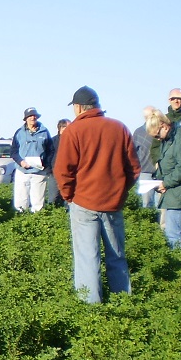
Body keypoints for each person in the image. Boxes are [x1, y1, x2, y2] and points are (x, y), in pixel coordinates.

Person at [54, 86, 141, 304]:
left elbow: (63, 170)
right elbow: (133, 169)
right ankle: (123, 302)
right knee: (117, 255)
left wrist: (69, 196)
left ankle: (90, 308)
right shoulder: (119, 128)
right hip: (113, 204)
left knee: (87, 256)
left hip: (83, 203)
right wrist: (120, 192)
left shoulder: (74, 131)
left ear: (78, 107)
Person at [145, 106, 181, 249]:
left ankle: (180, 262)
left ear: (164, 126)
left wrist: (166, 183)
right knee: (171, 231)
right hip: (174, 192)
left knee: (174, 233)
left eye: (157, 135)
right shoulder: (170, 139)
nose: (157, 139)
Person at [11, 108, 53, 213]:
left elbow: (51, 150)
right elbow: (13, 151)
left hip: (39, 171)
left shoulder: (44, 132)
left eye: (34, 116)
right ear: (25, 119)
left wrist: (45, 164)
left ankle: (36, 218)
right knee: (21, 199)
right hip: (22, 171)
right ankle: (21, 216)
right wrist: (21, 162)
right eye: (30, 116)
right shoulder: (19, 132)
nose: (32, 118)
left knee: (38, 200)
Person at [132, 119, 158, 209]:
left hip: (161, 173)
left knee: (160, 204)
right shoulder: (139, 132)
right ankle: (149, 220)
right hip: (145, 172)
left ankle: (162, 223)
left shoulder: (161, 131)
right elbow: (132, 152)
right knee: (146, 203)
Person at [47, 119, 70, 206]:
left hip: (69, 173)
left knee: (68, 198)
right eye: (65, 128)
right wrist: (49, 170)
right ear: (60, 129)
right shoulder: (52, 141)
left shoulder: (75, 140)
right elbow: (49, 156)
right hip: (55, 173)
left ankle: (65, 214)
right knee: (53, 198)